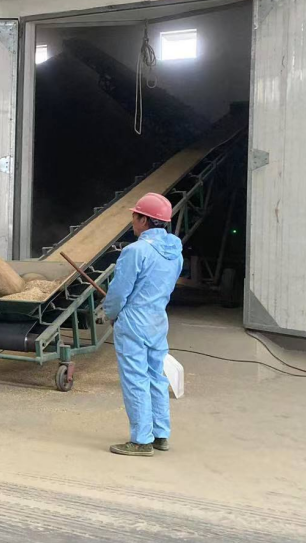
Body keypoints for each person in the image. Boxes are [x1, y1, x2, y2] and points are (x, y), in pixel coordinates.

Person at [102, 193, 183, 457]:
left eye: (135, 216)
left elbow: (118, 292)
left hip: (134, 320)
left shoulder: (135, 251)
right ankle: (160, 434)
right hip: (158, 319)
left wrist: (111, 313)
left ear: (144, 220)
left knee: (135, 378)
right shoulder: (175, 252)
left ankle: (140, 441)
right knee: (156, 376)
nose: (133, 222)